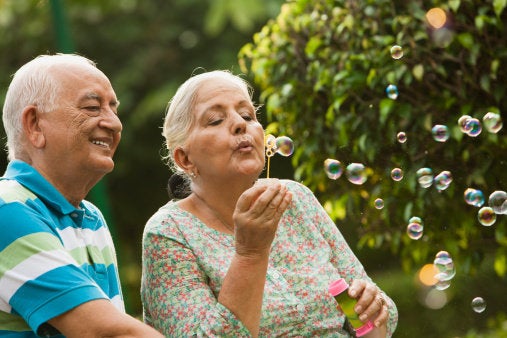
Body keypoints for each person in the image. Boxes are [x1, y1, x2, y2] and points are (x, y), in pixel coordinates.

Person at [141, 70, 398, 337]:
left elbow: (379, 316)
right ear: (184, 159)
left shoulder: (295, 198)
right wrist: (250, 253)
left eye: (247, 115)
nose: (240, 124)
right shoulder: (170, 232)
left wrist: (369, 310)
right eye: (216, 120)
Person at [0, 54, 163, 337]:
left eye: (114, 108)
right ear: (35, 125)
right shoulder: (7, 207)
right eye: (92, 107)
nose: (114, 123)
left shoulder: (90, 217)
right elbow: (104, 332)